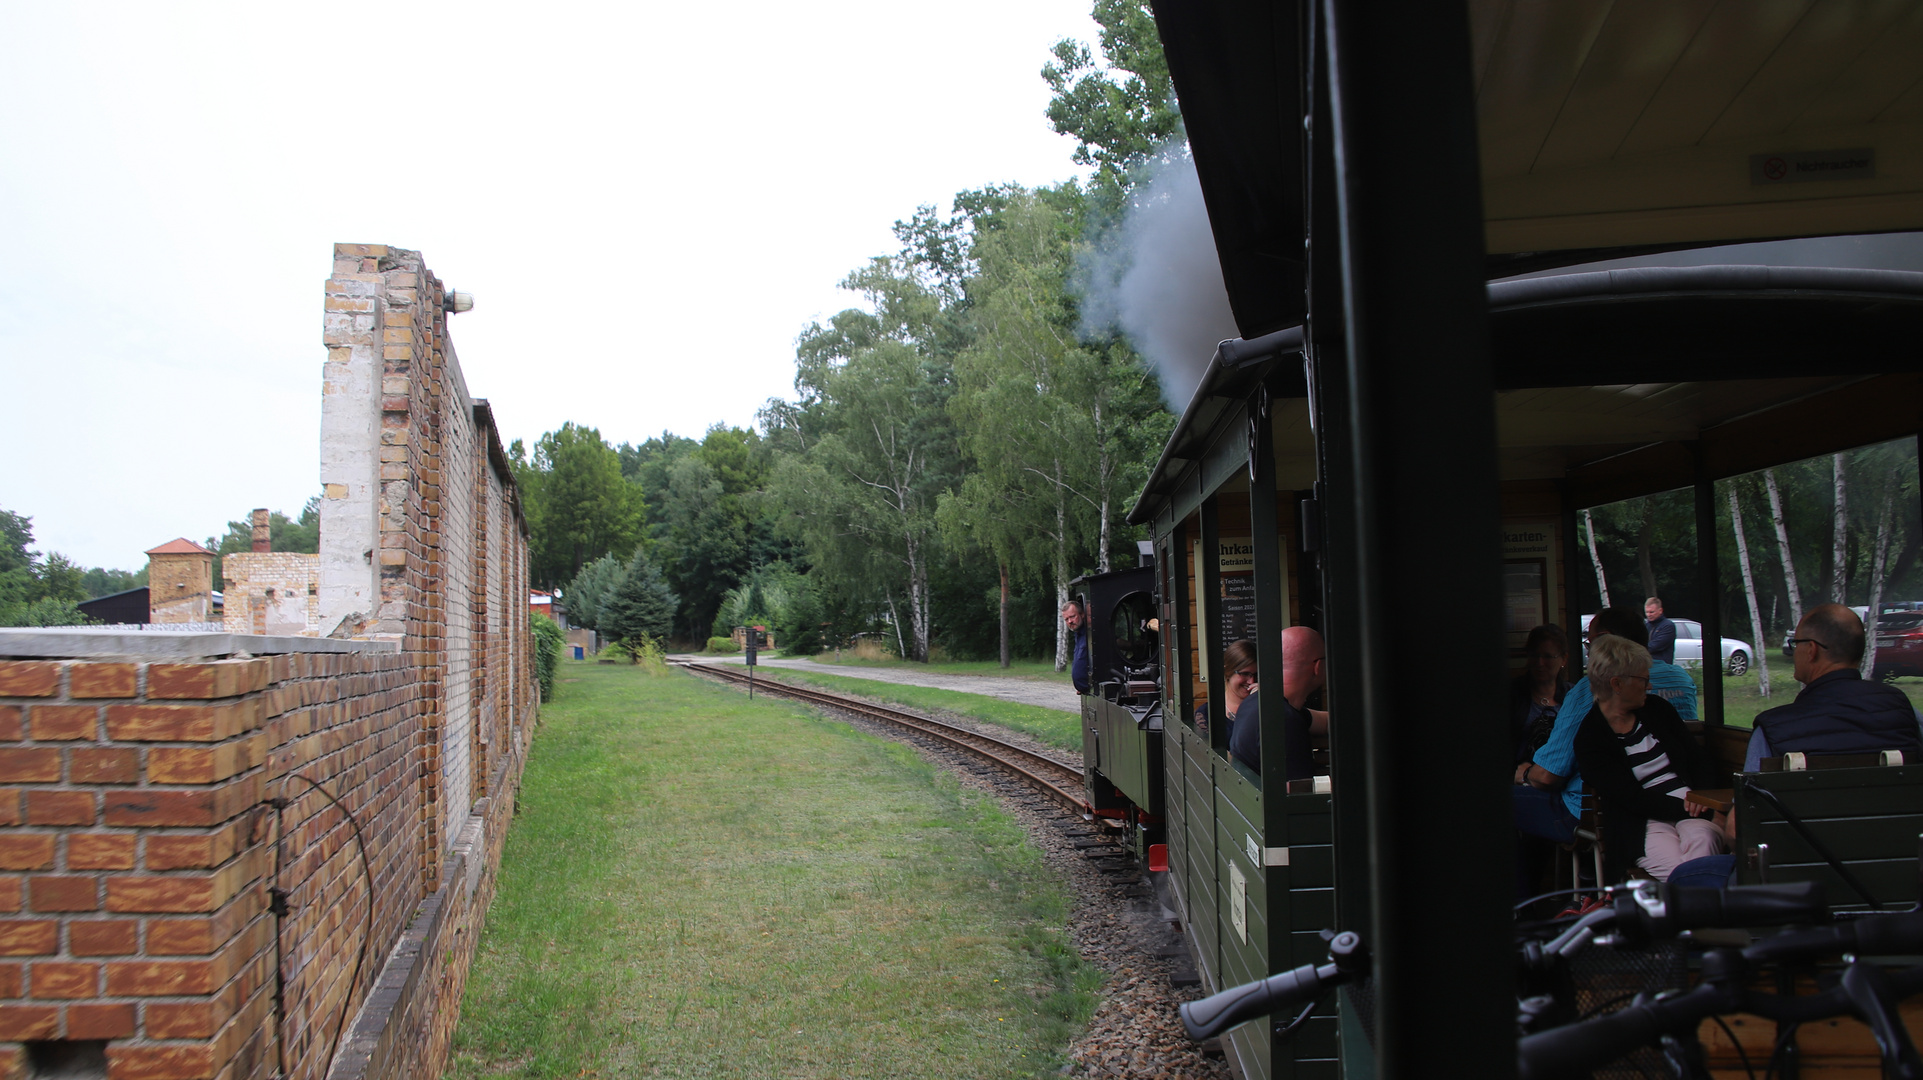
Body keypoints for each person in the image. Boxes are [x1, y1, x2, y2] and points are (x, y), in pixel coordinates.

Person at [1574, 634, 1723, 882]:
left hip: (1691, 804)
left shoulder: (1657, 710)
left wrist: (1703, 798)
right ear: (1617, 684)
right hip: (1642, 823)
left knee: (1704, 841)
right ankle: (1703, 917)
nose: (1650, 686)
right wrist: (1696, 810)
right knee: (1680, 872)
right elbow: (1632, 799)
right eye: (1643, 679)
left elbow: (1699, 759)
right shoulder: (1591, 740)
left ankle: (1693, 917)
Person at [1745, 603, 1923, 770]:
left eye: (1796, 643)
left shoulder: (1772, 729)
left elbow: (1748, 802)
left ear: (1811, 650)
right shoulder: (1906, 713)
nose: (1794, 652)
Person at [1229, 625, 1327, 781]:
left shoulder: (1256, 703)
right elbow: (1297, 795)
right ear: (1318, 667)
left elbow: (1325, 721)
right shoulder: (1284, 720)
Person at [1511, 624, 1570, 766]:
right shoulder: (1512, 694)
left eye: (1548, 656)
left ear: (1563, 659)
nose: (1540, 663)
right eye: (1535, 655)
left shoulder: (1572, 697)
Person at [1197, 638, 1258, 738]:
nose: (1251, 681)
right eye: (1245, 674)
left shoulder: (1268, 707)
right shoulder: (1206, 714)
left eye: (1257, 674)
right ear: (1228, 672)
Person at [1063, 599, 1090, 694]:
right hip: (1085, 692)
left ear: (1082, 614)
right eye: (1066, 619)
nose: (1070, 621)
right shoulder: (1078, 634)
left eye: (1072, 617)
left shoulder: (1090, 633)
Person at [1645, 596, 1677, 665]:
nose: (1648, 615)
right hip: (1647, 665)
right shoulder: (1646, 625)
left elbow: (1654, 646)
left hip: (1662, 666)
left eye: (1651, 612)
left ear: (1660, 611)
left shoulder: (1668, 626)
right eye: (1647, 612)